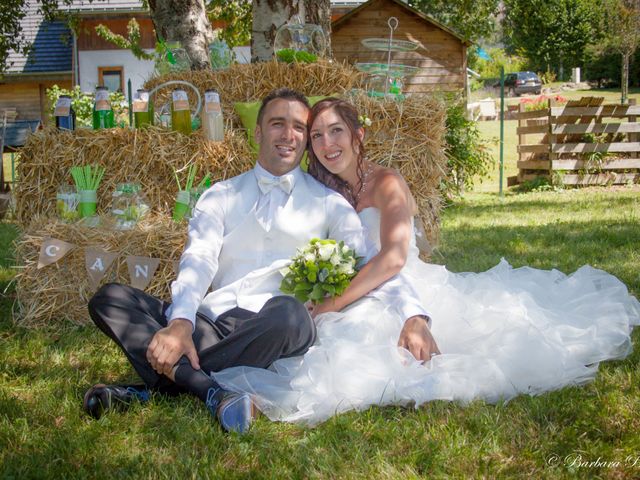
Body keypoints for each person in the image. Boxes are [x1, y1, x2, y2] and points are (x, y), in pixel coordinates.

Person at [212, 98, 640, 425]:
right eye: (317, 135)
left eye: (336, 131)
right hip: (355, 289)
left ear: (358, 136)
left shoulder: (387, 183)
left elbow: (394, 257)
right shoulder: (321, 195)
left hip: (400, 286)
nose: (326, 144)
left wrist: (333, 302)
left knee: (356, 356)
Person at [83, 89, 431, 434]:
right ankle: (210, 392)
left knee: (290, 314)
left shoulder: (328, 203)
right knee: (110, 298)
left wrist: (414, 315)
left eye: (298, 127)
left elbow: (369, 263)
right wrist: (182, 324)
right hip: (214, 326)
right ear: (258, 133)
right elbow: (198, 260)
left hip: (277, 329)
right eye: (277, 123)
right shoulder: (220, 195)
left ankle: (172, 386)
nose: (288, 135)